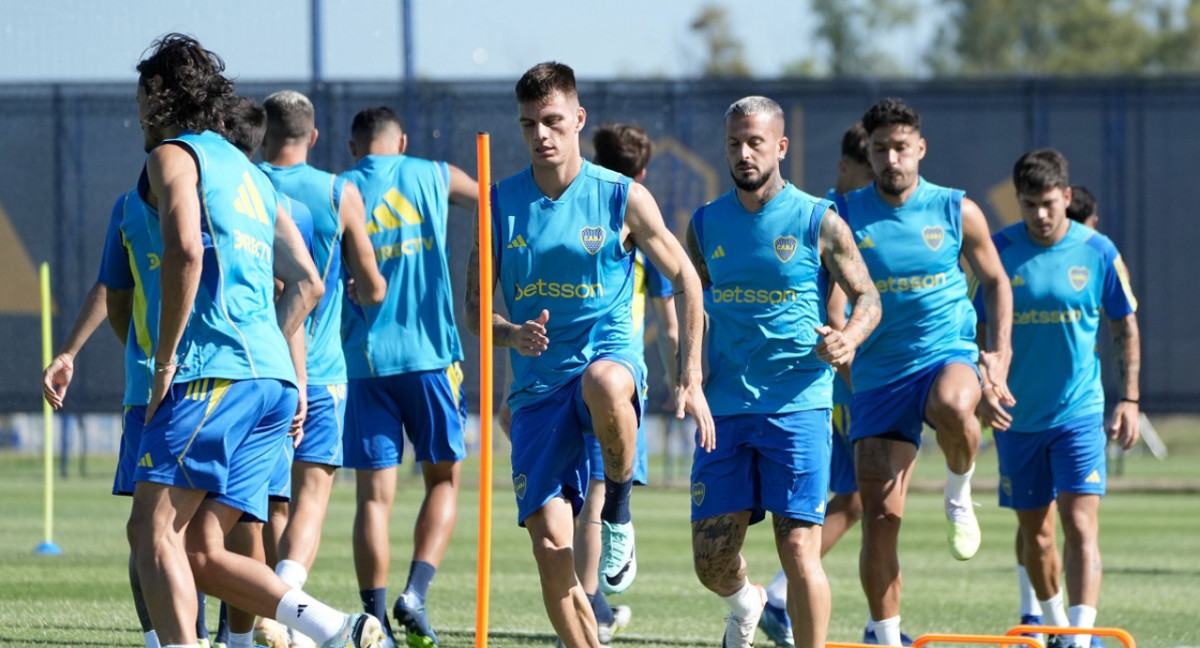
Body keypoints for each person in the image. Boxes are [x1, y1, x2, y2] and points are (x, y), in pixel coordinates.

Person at [123, 33, 384, 648]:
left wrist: (165, 363)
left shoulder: (173, 157)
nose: (135, 110)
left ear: (160, 97)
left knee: (151, 531)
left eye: (139, 96)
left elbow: (185, 251)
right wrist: (272, 352)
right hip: (271, 381)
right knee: (203, 552)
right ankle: (336, 628)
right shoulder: (252, 175)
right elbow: (310, 282)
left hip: (212, 373)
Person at [465, 61, 713, 648]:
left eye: (553, 120)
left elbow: (687, 278)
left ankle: (619, 510)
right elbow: (475, 310)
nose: (541, 135)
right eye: (529, 124)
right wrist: (511, 335)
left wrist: (691, 375)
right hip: (537, 388)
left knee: (604, 383)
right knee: (552, 551)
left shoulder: (621, 195)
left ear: (578, 119)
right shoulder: (498, 203)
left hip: (606, 363)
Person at [685, 96, 880, 648]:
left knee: (798, 548)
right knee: (711, 562)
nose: (744, 154)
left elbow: (868, 297)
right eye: (734, 143)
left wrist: (848, 339)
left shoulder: (818, 219)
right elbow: (691, 299)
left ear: (781, 147)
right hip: (723, 410)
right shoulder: (704, 224)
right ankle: (746, 603)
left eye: (755, 142)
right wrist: (690, 375)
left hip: (798, 404)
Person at [838, 97, 1015, 646]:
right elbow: (833, 294)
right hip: (877, 374)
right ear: (868, 153)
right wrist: (841, 338)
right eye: (880, 149)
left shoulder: (955, 210)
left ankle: (959, 490)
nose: (892, 158)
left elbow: (996, 281)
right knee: (880, 518)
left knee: (957, 403)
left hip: (946, 353)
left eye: (900, 147)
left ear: (920, 148)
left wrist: (999, 353)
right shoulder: (842, 214)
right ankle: (885, 634)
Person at [975, 150, 1140, 648]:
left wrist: (1129, 398)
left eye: (1049, 203)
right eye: (1029, 205)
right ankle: (1053, 625)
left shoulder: (1099, 251)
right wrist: (981, 384)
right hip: (1016, 419)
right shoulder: (997, 252)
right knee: (1038, 535)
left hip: (1079, 413)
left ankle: (1081, 636)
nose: (1040, 215)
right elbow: (969, 327)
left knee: (1080, 524)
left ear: (1067, 198)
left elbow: (1124, 326)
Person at [760, 121, 905, 647]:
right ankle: (778, 597)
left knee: (858, 498)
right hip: (837, 387)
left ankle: (790, 599)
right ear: (847, 170)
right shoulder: (823, 215)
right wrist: (852, 368)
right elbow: (832, 306)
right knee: (856, 497)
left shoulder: (859, 216)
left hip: (852, 379)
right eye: (870, 169)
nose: (881, 180)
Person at [338, 105, 476, 648]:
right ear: (402, 142)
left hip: (364, 362)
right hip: (430, 359)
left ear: (353, 148)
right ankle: (414, 594)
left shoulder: (340, 187)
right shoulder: (430, 173)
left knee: (373, 499)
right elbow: (490, 200)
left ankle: (373, 621)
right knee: (443, 480)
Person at [257, 89, 388, 648]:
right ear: (313, 137)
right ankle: (285, 609)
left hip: (257, 365)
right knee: (311, 495)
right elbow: (373, 283)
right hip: (324, 369)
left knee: (266, 501)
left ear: (263, 132)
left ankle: (272, 612)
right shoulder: (339, 191)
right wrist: (363, 289)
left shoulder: (245, 183)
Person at [562, 122, 679, 646]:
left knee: (577, 496)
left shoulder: (577, 208)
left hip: (563, 365)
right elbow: (671, 321)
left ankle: (592, 605)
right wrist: (680, 380)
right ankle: (590, 609)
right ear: (644, 171)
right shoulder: (635, 217)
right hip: (618, 374)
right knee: (599, 494)